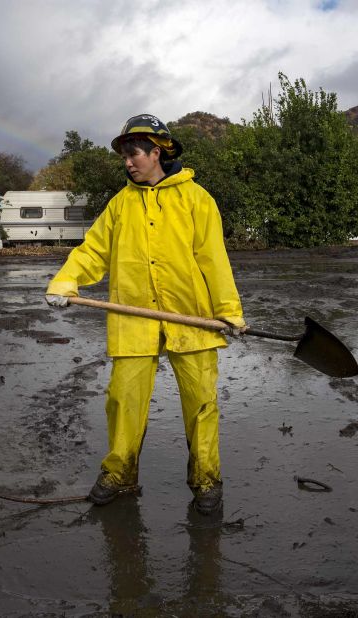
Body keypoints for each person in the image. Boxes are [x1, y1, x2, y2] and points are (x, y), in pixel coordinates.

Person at [44, 114, 245, 514]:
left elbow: (213, 259)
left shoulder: (196, 199)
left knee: (201, 402)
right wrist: (66, 281)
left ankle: (206, 481)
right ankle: (120, 474)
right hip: (134, 318)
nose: (128, 162)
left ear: (157, 152)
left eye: (134, 153)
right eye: (124, 156)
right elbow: (93, 250)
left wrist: (229, 311)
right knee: (123, 398)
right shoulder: (120, 205)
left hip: (191, 317)